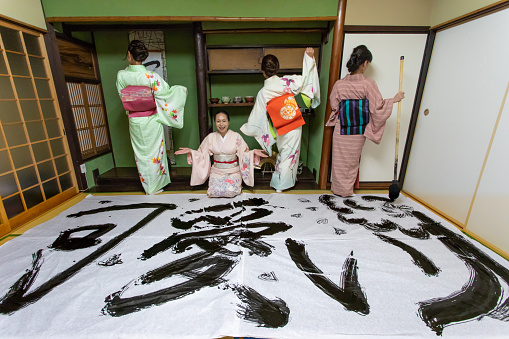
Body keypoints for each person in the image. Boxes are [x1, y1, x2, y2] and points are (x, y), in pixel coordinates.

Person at [326, 45, 405, 197]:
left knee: (339, 161)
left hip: (341, 127)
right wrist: (393, 100)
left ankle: (338, 190)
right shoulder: (368, 83)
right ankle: (347, 191)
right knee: (352, 161)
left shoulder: (339, 84)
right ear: (365, 63)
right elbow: (377, 107)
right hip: (357, 130)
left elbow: (334, 105)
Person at [240, 48, 320, 193]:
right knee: (290, 154)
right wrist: (309, 58)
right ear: (277, 69)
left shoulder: (263, 92)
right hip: (293, 122)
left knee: (284, 153)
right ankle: (282, 184)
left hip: (280, 125)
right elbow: (307, 79)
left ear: (263, 71)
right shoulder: (286, 82)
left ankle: (281, 181)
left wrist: (247, 127)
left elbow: (257, 115)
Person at [117, 40, 187, 195]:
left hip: (135, 120)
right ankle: (155, 186)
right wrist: (180, 91)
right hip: (151, 119)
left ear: (129, 55)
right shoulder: (151, 76)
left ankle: (147, 186)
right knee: (155, 153)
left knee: (141, 154)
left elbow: (122, 96)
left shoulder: (122, 75)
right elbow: (166, 94)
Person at [175, 111, 267, 198]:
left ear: (228, 122)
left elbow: (244, 153)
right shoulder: (210, 137)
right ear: (215, 122)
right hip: (217, 172)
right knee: (213, 192)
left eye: (224, 121)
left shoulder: (236, 136)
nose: (221, 124)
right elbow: (201, 153)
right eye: (218, 121)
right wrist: (191, 152)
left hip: (233, 172)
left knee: (231, 191)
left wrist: (253, 153)